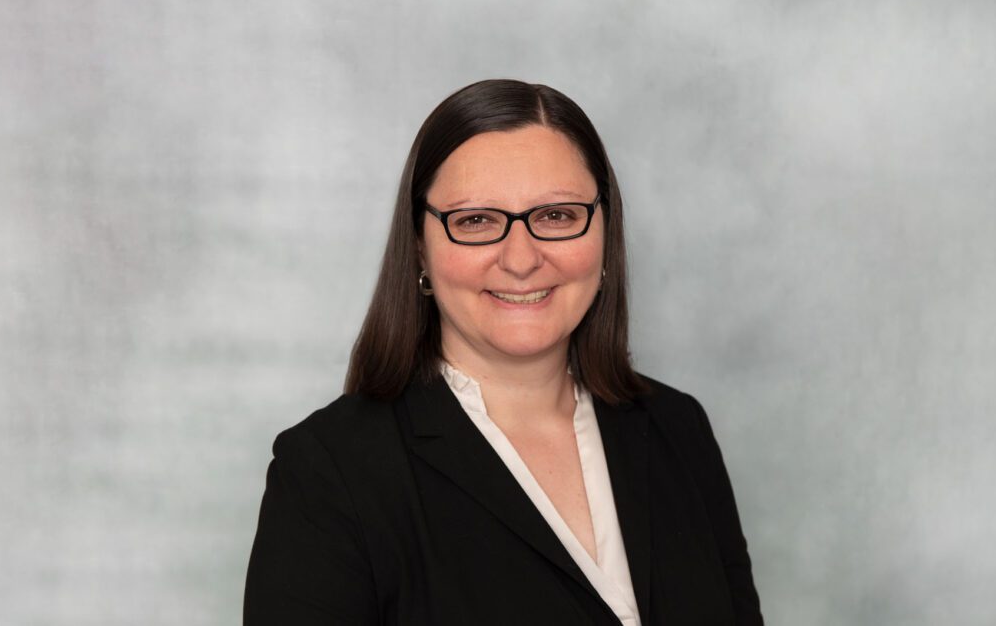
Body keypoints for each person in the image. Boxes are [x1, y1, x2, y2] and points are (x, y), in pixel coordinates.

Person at [243, 79, 764, 625]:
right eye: (475, 221)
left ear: (605, 234)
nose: (520, 259)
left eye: (557, 216)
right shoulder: (329, 472)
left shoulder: (677, 429)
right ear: (420, 246)